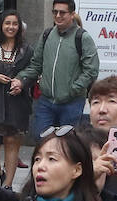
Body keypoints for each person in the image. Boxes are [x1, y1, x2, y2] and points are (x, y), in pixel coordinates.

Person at [13, 0, 99, 137]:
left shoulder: (82, 37)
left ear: (72, 14)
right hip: (46, 101)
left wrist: (73, 89)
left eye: (62, 12)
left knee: (67, 144)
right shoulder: (47, 35)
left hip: (72, 102)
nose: (58, 16)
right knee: (41, 140)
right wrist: (20, 80)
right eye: (55, 12)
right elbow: (36, 65)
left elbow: (91, 70)